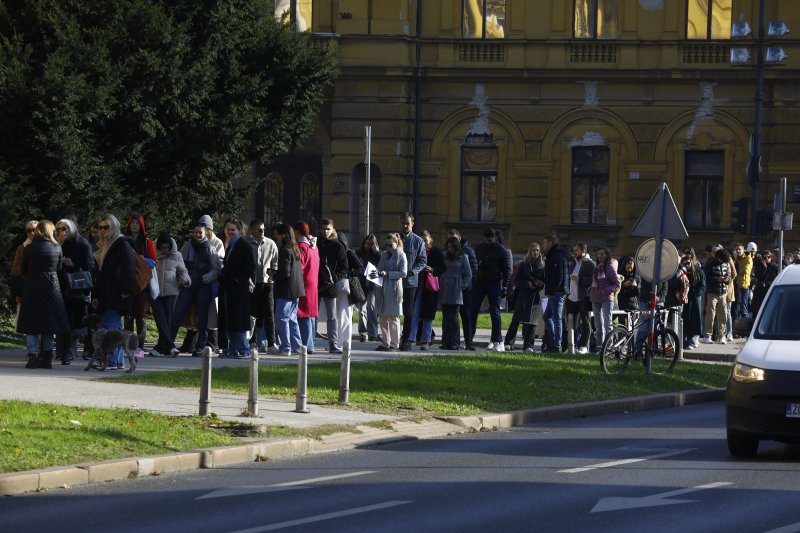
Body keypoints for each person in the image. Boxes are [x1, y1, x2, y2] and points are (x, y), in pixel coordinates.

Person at [16, 220, 71, 369]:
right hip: (51, 287)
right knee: (49, 324)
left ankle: (32, 357)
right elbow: (59, 268)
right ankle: (47, 358)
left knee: (31, 325)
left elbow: (23, 269)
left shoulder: (29, 248)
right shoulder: (56, 248)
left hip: (32, 287)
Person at [91, 214, 137, 370]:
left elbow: (129, 268)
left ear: (114, 227)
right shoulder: (104, 245)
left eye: (106, 227)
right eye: (101, 227)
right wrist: (96, 295)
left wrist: (126, 290)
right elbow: (101, 275)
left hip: (117, 293)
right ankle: (117, 362)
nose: (103, 231)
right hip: (107, 293)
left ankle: (110, 361)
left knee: (108, 328)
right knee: (115, 329)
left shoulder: (121, 244)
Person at [170, 223, 221, 357]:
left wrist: (209, 277)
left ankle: (200, 347)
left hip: (204, 286)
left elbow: (216, 268)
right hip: (188, 285)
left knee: (202, 317)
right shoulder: (187, 247)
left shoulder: (211, 248)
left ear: (205, 234)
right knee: (178, 313)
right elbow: (178, 264)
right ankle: (168, 343)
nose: (197, 235)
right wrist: (181, 278)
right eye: (196, 232)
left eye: (200, 233)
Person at [54, 218, 94, 365]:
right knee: (64, 322)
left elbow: (90, 267)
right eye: (58, 229)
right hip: (62, 286)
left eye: (64, 229)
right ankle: (64, 353)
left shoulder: (82, 244)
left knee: (77, 323)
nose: (61, 232)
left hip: (78, 288)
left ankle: (69, 353)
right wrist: (58, 245)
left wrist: (74, 265)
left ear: (71, 229)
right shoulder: (59, 244)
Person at [471, 227, 512, 351]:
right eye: (487, 240)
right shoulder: (479, 248)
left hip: (494, 282)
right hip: (480, 281)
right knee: (473, 311)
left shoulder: (501, 250)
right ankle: (469, 338)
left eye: (491, 240)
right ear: (484, 238)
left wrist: (505, 286)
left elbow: (507, 270)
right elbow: (474, 264)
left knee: (495, 312)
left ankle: (497, 340)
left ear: (494, 238)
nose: (489, 242)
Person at [220, 217, 256, 358]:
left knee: (238, 320)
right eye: (228, 229)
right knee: (230, 319)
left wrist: (237, 280)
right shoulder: (230, 246)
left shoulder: (244, 246)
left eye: (233, 230)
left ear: (239, 231)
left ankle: (243, 350)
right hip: (229, 288)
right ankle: (233, 349)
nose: (230, 232)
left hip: (238, 290)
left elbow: (250, 268)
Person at [150, 232, 189, 357]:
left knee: (166, 320)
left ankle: (160, 348)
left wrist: (186, 280)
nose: (165, 250)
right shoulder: (152, 254)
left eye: (167, 247)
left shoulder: (177, 255)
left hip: (170, 291)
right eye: (163, 248)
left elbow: (183, 270)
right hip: (155, 292)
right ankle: (170, 346)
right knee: (160, 319)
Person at [122, 214, 156, 349]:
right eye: (132, 223)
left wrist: (143, 260)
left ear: (141, 225)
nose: (134, 225)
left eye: (137, 223)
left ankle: (140, 347)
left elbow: (154, 261)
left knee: (140, 316)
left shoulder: (147, 242)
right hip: (128, 282)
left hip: (142, 284)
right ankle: (128, 346)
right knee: (128, 316)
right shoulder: (123, 241)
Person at [503, 242, 545, 352]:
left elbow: (544, 281)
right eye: (533, 250)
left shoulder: (542, 265)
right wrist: (527, 284)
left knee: (533, 323)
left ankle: (528, 345)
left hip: (535, 296)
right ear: (530, 252)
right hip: (523, 296)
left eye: (537, 250)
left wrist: (536, 284)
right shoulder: (523, 264)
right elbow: (517, 280)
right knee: (516, 320)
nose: (535, 252)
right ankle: (508, 343)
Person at [272, 222, 305, 356]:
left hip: (286, 291)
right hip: (296, 290)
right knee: (292, 319)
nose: (276, 237)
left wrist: (273, 274)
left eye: (277, 234)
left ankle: (285, 347)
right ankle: (297, 347)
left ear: (282, 235)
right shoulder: (295, 248)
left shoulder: (285, 250)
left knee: (282, 319)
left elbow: (284, 273)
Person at [316, 219, 349, 353]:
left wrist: (334, 278)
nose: (325, 231)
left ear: (332, 229)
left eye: (328, 229)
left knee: (332, 316)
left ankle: (333, 343)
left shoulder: (338, 245)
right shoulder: (316, 243)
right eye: (323, 229)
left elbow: (344, 266)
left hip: (330, 284)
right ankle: (309, 341)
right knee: (313, 314)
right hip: (316, 282)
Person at [411, 230, 446, 350]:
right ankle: (412, 338)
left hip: (429, 287)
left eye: (425, 240)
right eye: (422, 241)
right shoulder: (416, 251)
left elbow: (443, 268)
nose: (424, 243)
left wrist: (432, 270)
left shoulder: (436, 251)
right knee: (414, 312)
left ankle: (425, 340)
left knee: (427, 315)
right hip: (417, 284)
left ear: (430, 239)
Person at [373, 233, 408, 351]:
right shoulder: (384, 255)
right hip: (382, 288)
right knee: (383, 317)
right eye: (386, 245)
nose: (388, 247)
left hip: (394, 289)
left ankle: (394, 344)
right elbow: (379, 267)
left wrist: (388, 274)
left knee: (393, 317)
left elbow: (403, 273)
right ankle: (385, 343)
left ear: (397, 243)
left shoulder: (401, 255)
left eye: (391, 245)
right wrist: (376, 272)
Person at [248, 219, 278, 354]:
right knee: (252, 314)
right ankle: (252, 341)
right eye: (259, 230)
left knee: (269, 313)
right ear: (252, 230)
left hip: (267, 284)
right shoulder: (247, 244)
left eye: (264, 229)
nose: (262, 232)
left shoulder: (270, 244)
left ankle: (271, 343)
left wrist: (272, 275)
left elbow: (275, 262)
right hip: (252, 284)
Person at [398, 213, 427, 351]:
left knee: (408, 312)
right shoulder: (396, 238)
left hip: (410, 282)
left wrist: (412, 271)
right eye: (403, 223)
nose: (405, 226)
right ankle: (393, 339)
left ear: (412, 223)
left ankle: (406, 339)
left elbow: (422, 261)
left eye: (407, 223)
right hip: (395, 281)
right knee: (393, 311)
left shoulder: (418, 241)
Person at [439, 236, 472, 350]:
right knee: (445, 318)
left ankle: (455, 342)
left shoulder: (463, 257)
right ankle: (445, 342)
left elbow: (468, 274)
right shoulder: (443, 256)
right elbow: (438, 269)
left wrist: (461, 286)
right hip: (444, 287)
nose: (450, 250)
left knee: (454, 318)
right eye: (448, 247)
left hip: (456, 289)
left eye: (452, 247)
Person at [448, 228, 478, 350]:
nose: (451, 240)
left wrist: (463, 285)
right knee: (450, 316)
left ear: (459, 238)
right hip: (450, 289)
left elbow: (473, 270)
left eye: (453, 238)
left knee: (466, 315)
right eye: (449, 238)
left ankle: (468, 341)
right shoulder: (447, 252)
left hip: (465, 290)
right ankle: (450, 341)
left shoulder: (468, 251)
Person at [294, 221, 319, 354]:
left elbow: (300, 267)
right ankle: (311, 343)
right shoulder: (313, 246)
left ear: (297, 231)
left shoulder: (301, 246)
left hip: (304, 283)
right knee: (311, 315)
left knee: (303, 315)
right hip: (313, 283)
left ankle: (306, 345)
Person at [565, 242, 595, 354]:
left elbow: (592, 281)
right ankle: (571, 345)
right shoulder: (572, 262)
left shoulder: (590, 264)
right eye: (574, 250)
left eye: (577, 250)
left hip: (584, 297)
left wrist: (579, 279)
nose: (574, 252)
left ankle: (583, 346)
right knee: (571, 323)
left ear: (584, 251)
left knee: (586, 323)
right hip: (571, 297)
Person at [589, 247, 620, 351]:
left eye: (602, 254)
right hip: (595, 298)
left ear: (607, 255)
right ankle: (599, 348)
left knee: (607, 324)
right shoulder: (597, 267)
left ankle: (608, 348)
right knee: (598, 325)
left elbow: (617, 284)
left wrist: (605, 290)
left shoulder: (609, 267)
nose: (600, 256)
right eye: (599, 254)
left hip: (607, 298)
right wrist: (591, 292)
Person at [542, 234, 568, 353]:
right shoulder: (552, 254)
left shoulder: (556, 255)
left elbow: (559, 276)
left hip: (557, 292)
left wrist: (551, 291)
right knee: (547, 317)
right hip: (554, 291)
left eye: (545, 243)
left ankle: (556, 345)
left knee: (556, 318)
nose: (543, 245)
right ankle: (553, 342)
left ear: (550, 243)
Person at [10, 220, 39, 323]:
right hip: (25, 287)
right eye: (28, 230)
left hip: (40, 287)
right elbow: (14, 270)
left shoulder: (46, 246)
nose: (31, 233)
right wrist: (27, 269)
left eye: (34, 230)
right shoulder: (21, 248)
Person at [702, 247, 731, 344]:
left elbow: (729, 276)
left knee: (723, 315)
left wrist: (727, 279)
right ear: (719, 257)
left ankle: (721, 336)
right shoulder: (709, 264)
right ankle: (707, 336)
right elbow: (705, 278)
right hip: (712, 292)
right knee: (710, 314)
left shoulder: (726, 264)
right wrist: (717, 279)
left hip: (723, 293)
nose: (723, 262)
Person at [356, 234, 381, 343]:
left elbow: (382, 263)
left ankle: (373, 333)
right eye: (366, 243)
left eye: (371, 244)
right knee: (362, 310)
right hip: (361, 284)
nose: (368, 246)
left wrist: (377, 252)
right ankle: (363, 333)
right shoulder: (359, 253)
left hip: (371, 283)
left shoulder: (377, 254)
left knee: (371, 308)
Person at [681, 248, 706, 350]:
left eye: (688, 263)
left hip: (694, 300)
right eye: (685, 264)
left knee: (693, 321)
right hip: (684, 300)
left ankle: (691, 341)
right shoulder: (682, 273)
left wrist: (696, 294)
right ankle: (682, 342)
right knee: (684, 321)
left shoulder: (699, 272)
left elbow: (702, 286)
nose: (687, 265)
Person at [751, 250, 779, 315]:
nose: (767, 259)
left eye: (768, 257)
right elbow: (758, 276)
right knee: (756, 311)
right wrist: (764, 268)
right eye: (765, 258)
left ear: (771, 257)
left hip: (768, 290)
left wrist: (767, 283)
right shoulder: (760, 266)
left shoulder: (774, 267)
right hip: (760, 290)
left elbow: (774, 279)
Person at [733, 242, 754, 320]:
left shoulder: (748, 257)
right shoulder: (735, 258)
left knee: (743, 308)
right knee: (735, 309)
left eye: (739, 249)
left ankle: (745, 328)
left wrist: (737, 269)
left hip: (743, 285)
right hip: (735, 286)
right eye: (736, 249)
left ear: (743, 249)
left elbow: (746, 270)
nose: (738, 251)